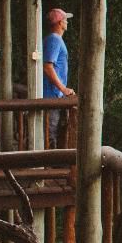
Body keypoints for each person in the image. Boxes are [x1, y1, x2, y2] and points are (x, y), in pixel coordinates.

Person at [42, 8, 75, 145]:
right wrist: (63, 89)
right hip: (52, 95)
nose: (67, 22)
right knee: (50, 132)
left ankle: (51, 163)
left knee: (54, 130)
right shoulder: (54, 40)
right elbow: (48, 66)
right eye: (65, 19)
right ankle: (49, 165)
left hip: (55, 94)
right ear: (60, 22)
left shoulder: (54, 40)